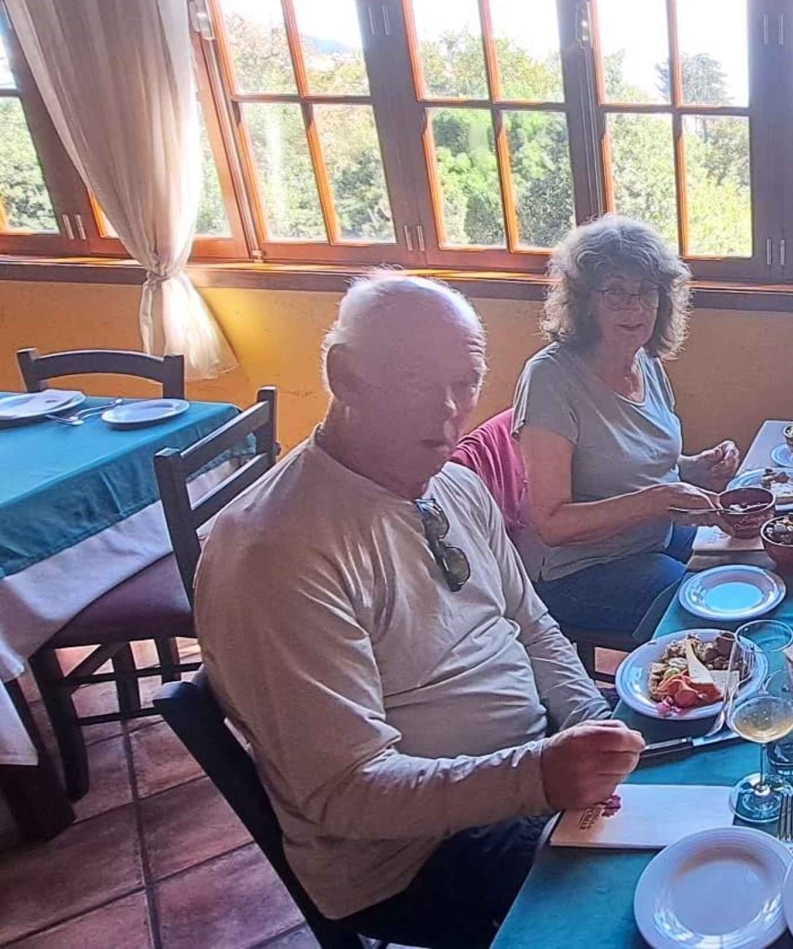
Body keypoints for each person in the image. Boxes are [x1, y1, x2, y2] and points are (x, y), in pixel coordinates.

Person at [195, 273, 643, 949]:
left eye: (466, 382)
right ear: (344, 376)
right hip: (414, 857)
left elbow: (531, 626)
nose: (447, 411)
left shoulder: (455, 484)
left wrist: (589, 717)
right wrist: (541, 776)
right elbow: (348, 791)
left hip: (529, 759)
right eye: (413, 379)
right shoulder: (275, 553)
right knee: (643, 903)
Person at [513, 215, 740, 634]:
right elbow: (552, 523)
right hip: (579, 569)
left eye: (646, 291)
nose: (635, 308)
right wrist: (657, 501)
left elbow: (637, 464)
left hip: (653, 538)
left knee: (748, 559)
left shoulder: (645, 360)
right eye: (615, 293)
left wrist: (696, 468)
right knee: (713, 615)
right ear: (584, 301)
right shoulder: (550, 378)